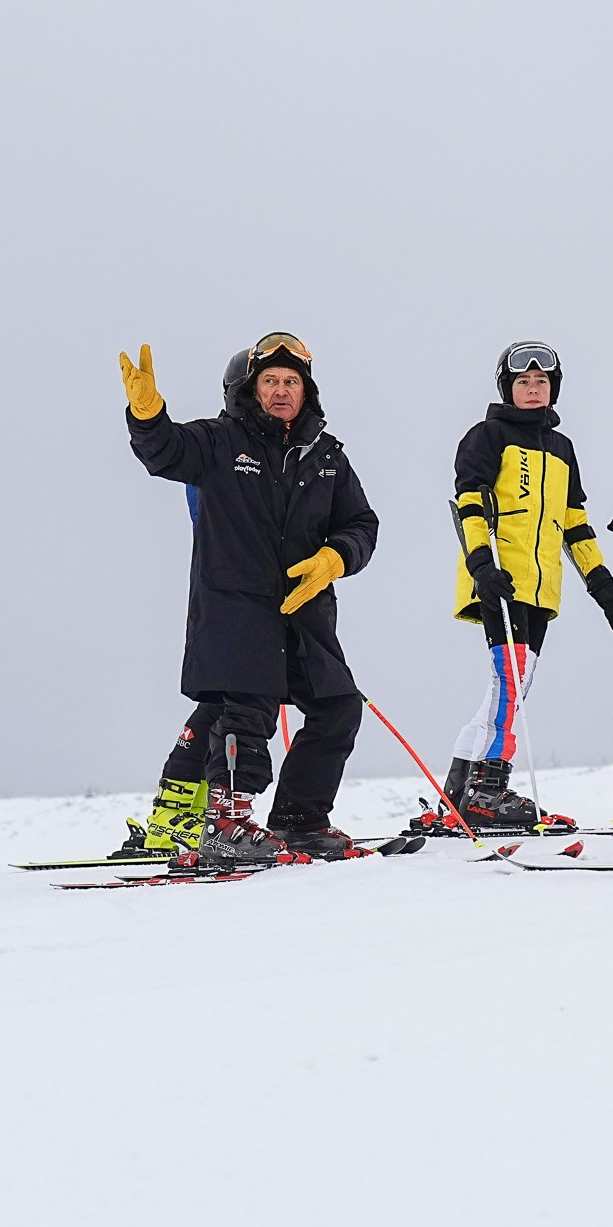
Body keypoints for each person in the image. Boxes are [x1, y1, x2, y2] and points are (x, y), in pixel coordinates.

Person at [118, 332, 381, 870]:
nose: (282, 391)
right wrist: (147, 416)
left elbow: (361, 524)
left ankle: (300, 821)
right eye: (271, 381)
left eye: (292, 381)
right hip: (237, 611)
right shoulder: (219, 442)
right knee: (246, 713)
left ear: (306, 390)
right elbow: (165, 451)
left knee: (338, 708)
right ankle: (227, 826)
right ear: (251, 389)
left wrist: (336, 558)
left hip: (306, 614)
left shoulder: (327, 455)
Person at [437, 341, 613, 832]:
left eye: (541, 382)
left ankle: (459, 791)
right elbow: (470, 505)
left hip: (542, 589)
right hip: (500, 578)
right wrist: (483, 566)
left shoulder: (562, 449)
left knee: (511, 686)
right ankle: (488, 790)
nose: (533, 388)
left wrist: (604, 586)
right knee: (511, 678)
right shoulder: (487, 436)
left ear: (552, 389)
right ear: (508, 388)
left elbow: (576, 524)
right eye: (523, 382)